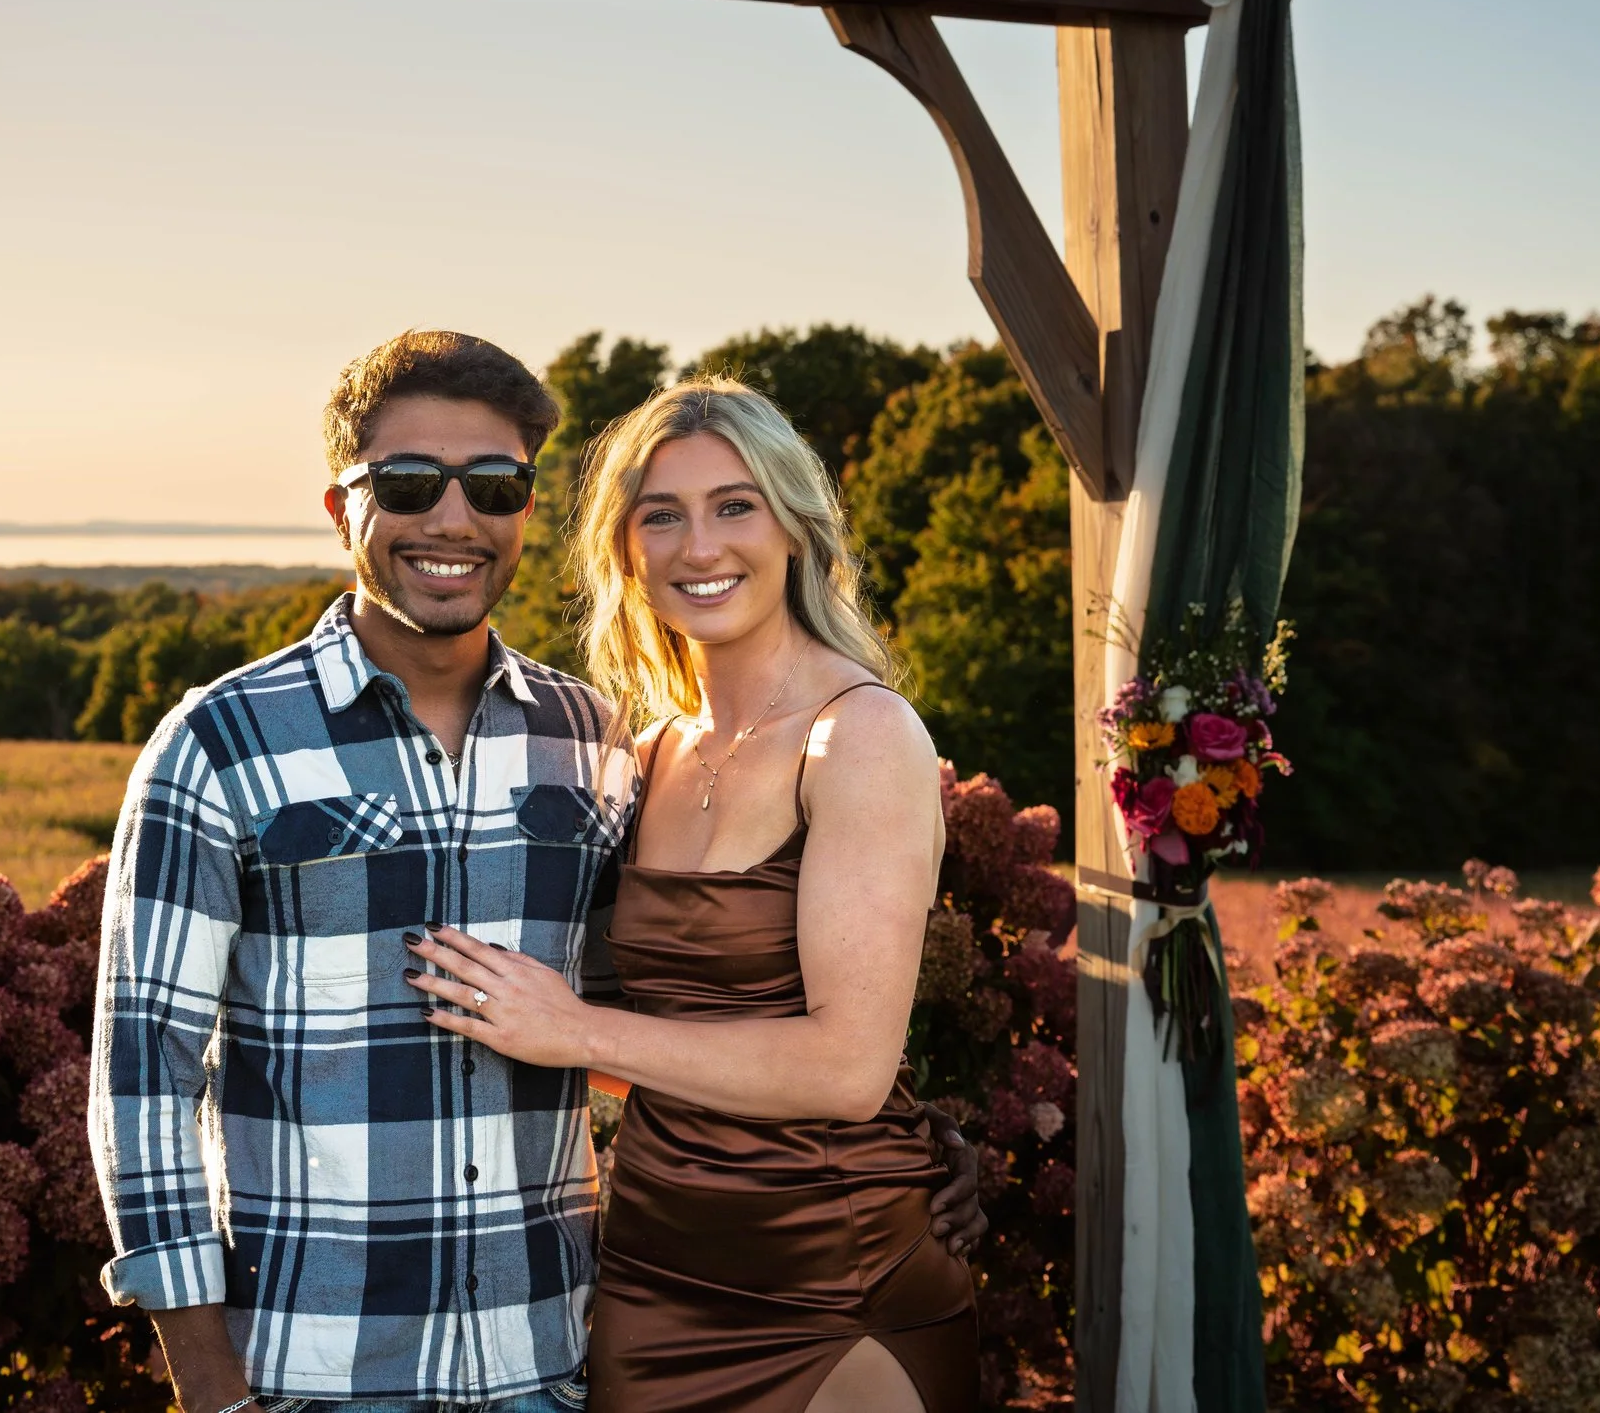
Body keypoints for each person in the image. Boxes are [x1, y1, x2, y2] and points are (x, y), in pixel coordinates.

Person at [90, 335, 981, 1413]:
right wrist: (210, 1385)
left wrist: (899, 1138)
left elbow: (618, 1024)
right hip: (324, 1368)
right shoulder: (223, 744)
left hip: (549, 1355)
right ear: (341, 507)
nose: (452, 519)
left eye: (493, 485)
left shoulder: (586, 743)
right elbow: (142, 1077)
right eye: (407, 483)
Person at [403, 378, 977, 1413]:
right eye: (660, 514)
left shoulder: (860, 734)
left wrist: (576, 1030)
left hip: (829, 1274)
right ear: (625, 549)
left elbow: (849, 1068)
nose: (699, 545)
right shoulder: (649, 751)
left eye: (734, 505)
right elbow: (666, 1034)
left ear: (794, 526)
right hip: (653, 1271)